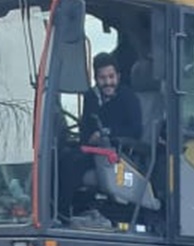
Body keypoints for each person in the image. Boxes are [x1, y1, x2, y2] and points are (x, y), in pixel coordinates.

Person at [59, 52, 146, 222]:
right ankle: (58, 210)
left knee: (72, 164)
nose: (107, 82)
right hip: (93, 151)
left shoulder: (128, 98)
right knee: (62, 156)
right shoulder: (91, 97)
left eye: (111, 77)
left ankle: (62, 215)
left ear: (118, 76)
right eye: (102, 78)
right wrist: (88, 138)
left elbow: (135, 130)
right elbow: (85, 129)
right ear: (96, 79)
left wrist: (107, 133)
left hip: (120, 154)